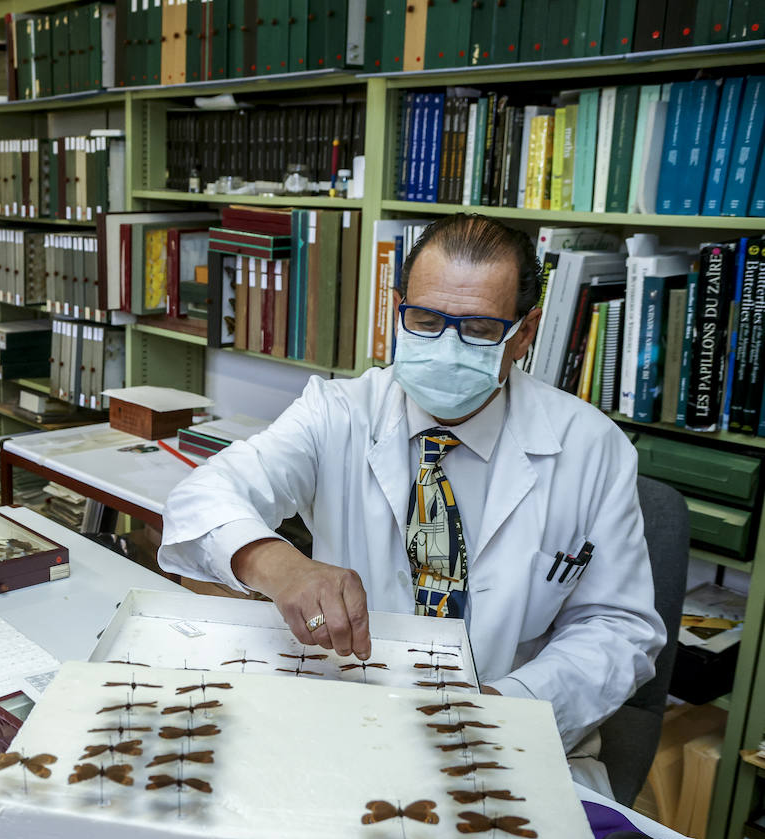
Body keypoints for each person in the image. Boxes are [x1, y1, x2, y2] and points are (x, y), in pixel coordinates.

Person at [158, 214, 665, 786]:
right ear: (397, 310)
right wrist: (279, 564)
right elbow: (200, 499)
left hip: (508, 736)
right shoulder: (340, 411)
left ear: (524, 334)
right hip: (347, 717)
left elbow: (619, 628)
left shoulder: (593, 449)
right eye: (424, 321)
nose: (446, 348)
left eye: (476, 330)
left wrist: (500, 706)